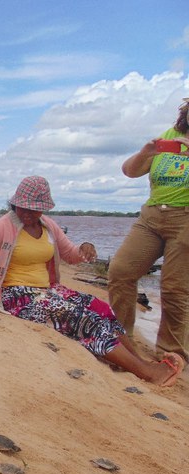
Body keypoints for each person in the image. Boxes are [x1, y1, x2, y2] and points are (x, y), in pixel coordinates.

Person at [0, 176, 184, 387]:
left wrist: (85, 249)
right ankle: (148, 373)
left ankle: (138, 362)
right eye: (23, 208)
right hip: (18, 296)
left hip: (49, 290)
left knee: (101, 308)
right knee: (83, 319)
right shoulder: (1, 228)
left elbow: (71, 255)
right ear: (15, 204)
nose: (28, 214)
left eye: (34, 210)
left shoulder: (48, 226)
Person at [109, 99, 189, 366]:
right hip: (152, 215)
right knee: (120, 271)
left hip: (186, 218)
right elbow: (129, 171)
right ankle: (121, 341)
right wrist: (146, 152)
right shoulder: (169, 137)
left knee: (175, 289)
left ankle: (171, 354)